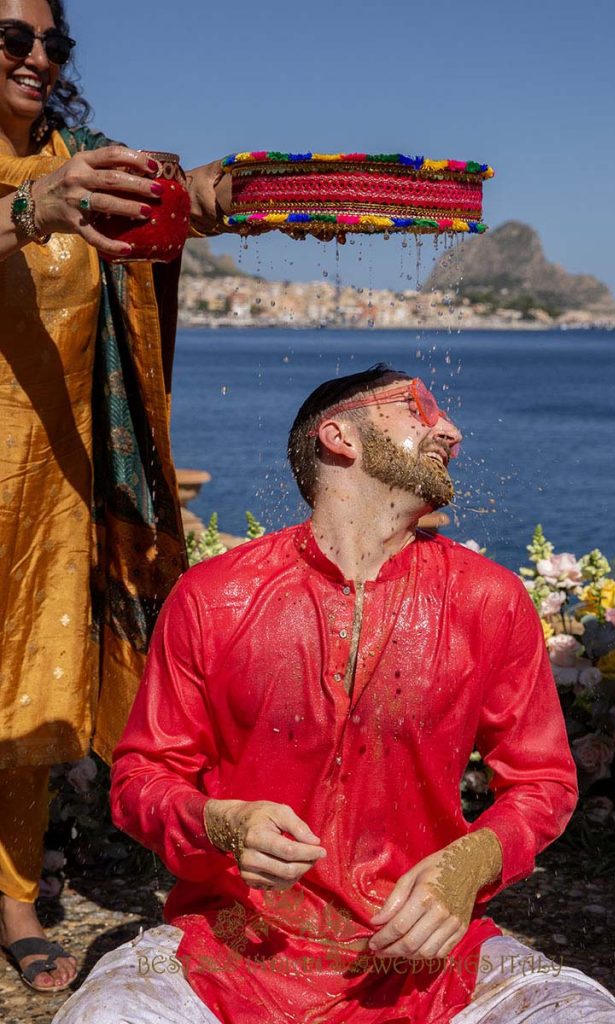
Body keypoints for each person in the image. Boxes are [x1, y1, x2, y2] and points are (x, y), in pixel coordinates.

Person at [54, 365, 615, 1023]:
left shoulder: (486, 598)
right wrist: (222, 823)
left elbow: (542, 784)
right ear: (339, 436)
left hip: (427, 958)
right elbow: (140, 779)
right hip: (232, 951)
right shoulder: (215, 597)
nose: (450, 430)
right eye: (419, 410)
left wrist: (471, 862)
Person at [0, 0, 229, 994]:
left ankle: (13, 897)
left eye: (54, 42)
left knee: (34, 672)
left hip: (54, 471)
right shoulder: (50, 183)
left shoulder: (87, 160)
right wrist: (24, 209)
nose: (39, 57)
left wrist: (197, 200)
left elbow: (154, 227)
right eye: (14, 38)